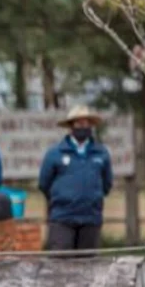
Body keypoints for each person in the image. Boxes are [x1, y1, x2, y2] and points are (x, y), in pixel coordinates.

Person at [38, 105, 113, 252]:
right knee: (60, 262)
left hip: (91, 218)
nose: (83, 127)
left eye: (86, 123)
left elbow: (107, 184)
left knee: (89, 262)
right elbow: (44, 183)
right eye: (79, 123)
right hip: (62, 218)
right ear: (71, 126)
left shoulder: (101, 153)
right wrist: (62, 199)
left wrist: (92, 198)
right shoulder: (55, 153)